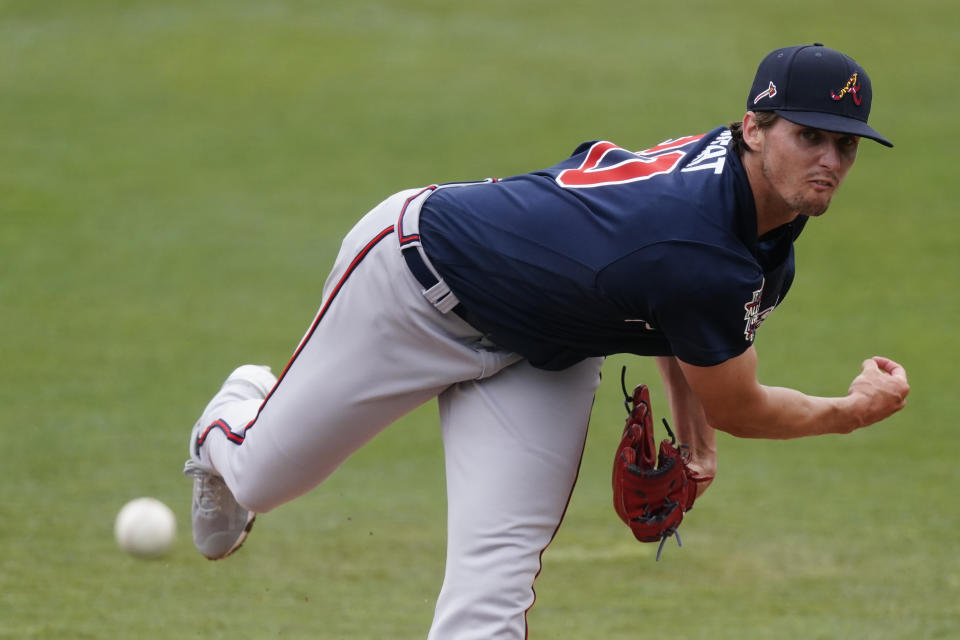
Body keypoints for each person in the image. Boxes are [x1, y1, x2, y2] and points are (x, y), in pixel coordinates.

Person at [183, 43, 909, 638]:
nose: (829, 162)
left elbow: (680, 321)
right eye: (807, 136)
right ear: (754, 128)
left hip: (542, 354)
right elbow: (737, 397)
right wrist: (852, 410)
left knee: (492, 595)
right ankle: (234, 416)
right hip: (414, 287)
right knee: (263, 479)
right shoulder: (700, 245)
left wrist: (694, 447)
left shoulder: (757, 214)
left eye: (845, 145)